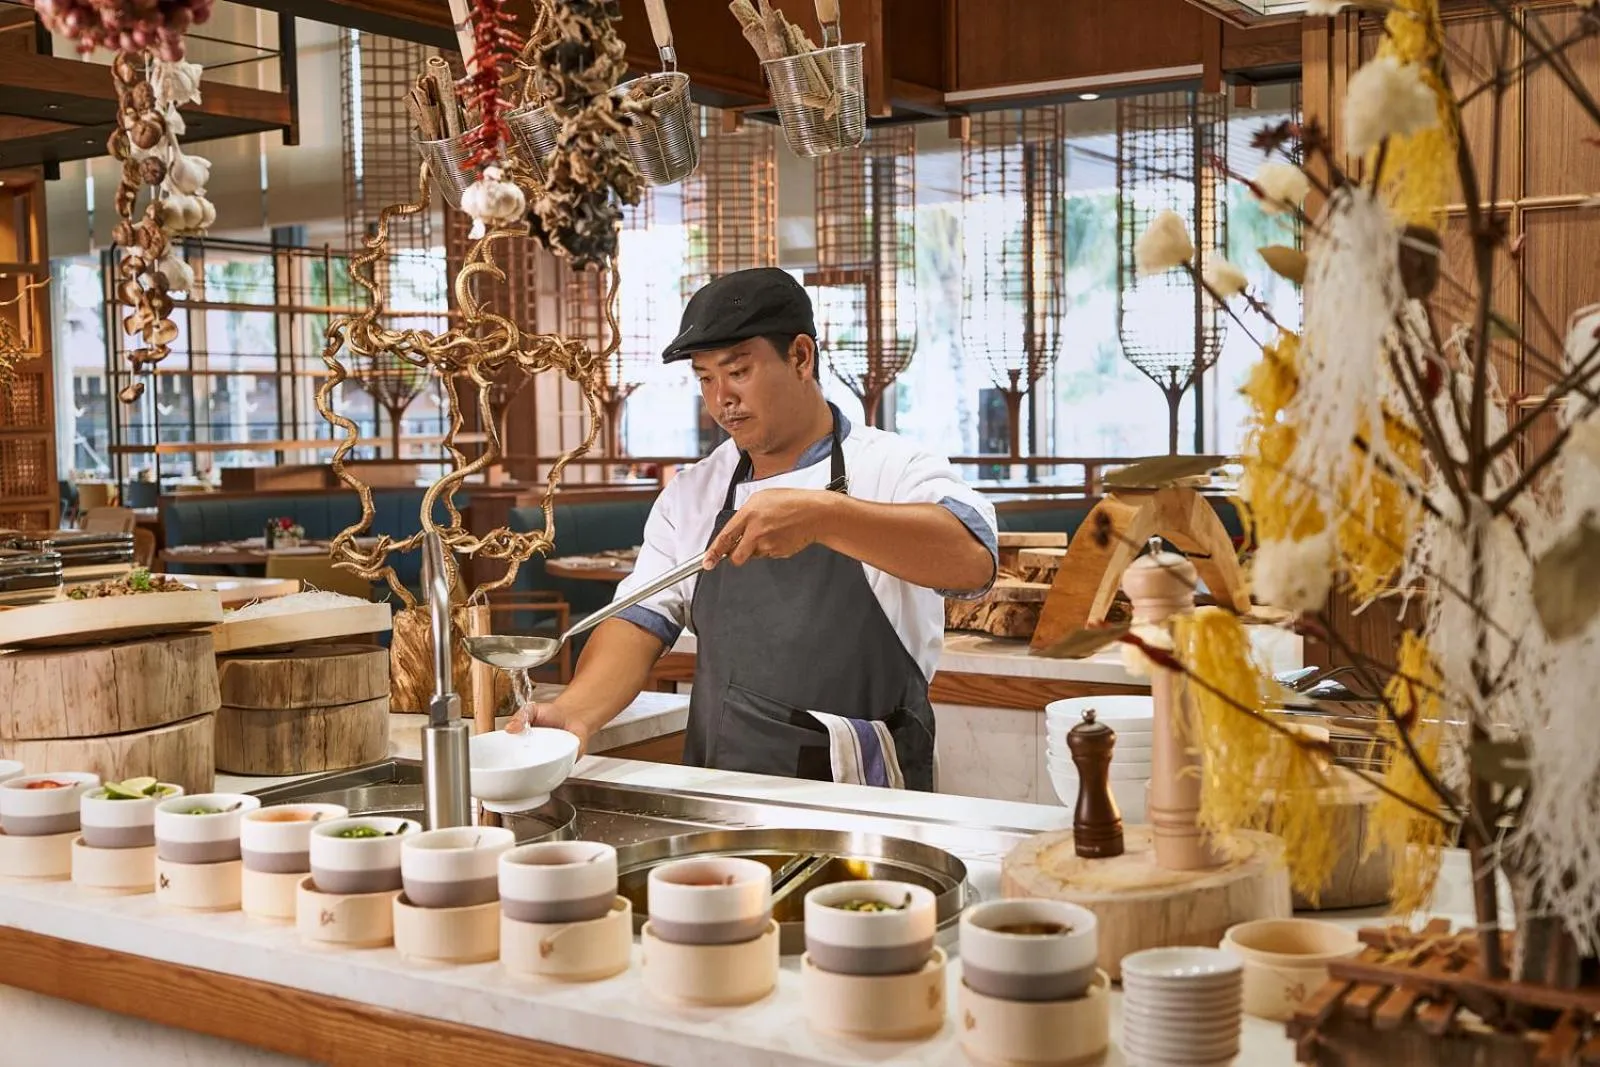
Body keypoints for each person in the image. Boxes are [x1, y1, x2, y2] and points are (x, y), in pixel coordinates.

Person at [509, 268, 998, 790]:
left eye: (738, 371)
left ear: (801, 357)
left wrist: (824, 516)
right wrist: (576, 711)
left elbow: (973, 561)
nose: (721, 398)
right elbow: (639, 620)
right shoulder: (694, 492)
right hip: (722, 789)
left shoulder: (891, 467)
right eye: (705, 378)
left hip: (862, 793)